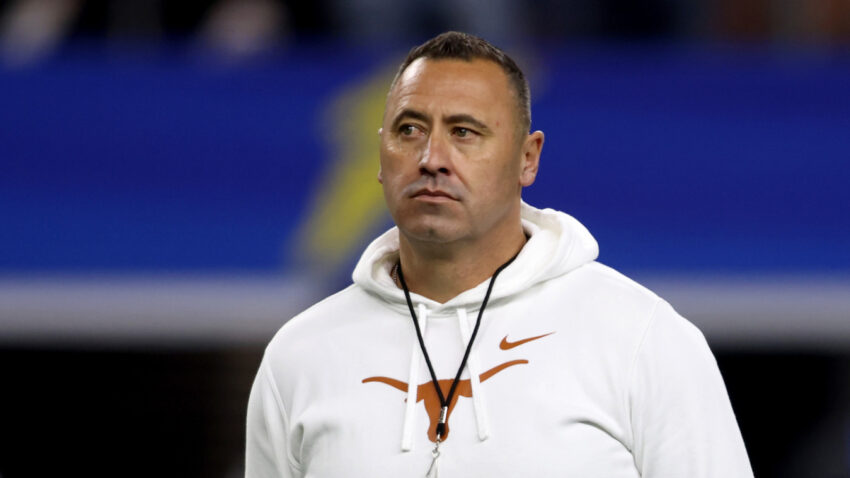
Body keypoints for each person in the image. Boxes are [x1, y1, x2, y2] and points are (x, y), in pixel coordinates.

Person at [246, 31, 753, 477]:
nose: (431, 158)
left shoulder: (642, 339)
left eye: (464, 132)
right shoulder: (299, 356)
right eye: (409, 130)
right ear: (379, 154)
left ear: (527, 159)